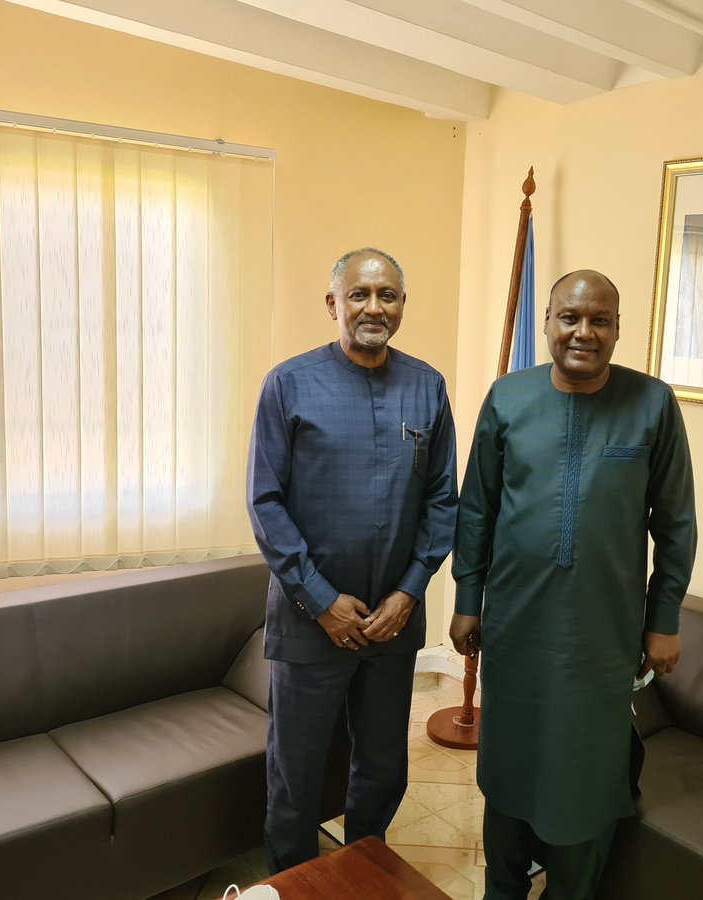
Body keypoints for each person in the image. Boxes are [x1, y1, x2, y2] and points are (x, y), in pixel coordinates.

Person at [450, 270, 697, 899]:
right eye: (569, 317)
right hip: (515, 627)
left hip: (601, 637)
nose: (583, 332)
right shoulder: (507, 397)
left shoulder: (653, 404)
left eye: (600, 320)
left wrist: (662, 620)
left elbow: (676, 524)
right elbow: (476, 509)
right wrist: (467, 600)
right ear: (548, 323)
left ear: (617, 329)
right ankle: (502, 889)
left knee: (586, 775)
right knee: (509, 767)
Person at [247, 247, 457, 872]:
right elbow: (265, 502)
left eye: (387, 295)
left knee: (384, 769)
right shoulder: (288, 384)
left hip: (392, 627)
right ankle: (291, 883)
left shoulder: (427, 386)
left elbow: (443, 499)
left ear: (401, 306)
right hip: (311, 626)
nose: (374, 307)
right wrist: (321, 601)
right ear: (333, 304)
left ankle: (365, 871)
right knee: (297, 777)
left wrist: (409, 591)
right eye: (359, 295)